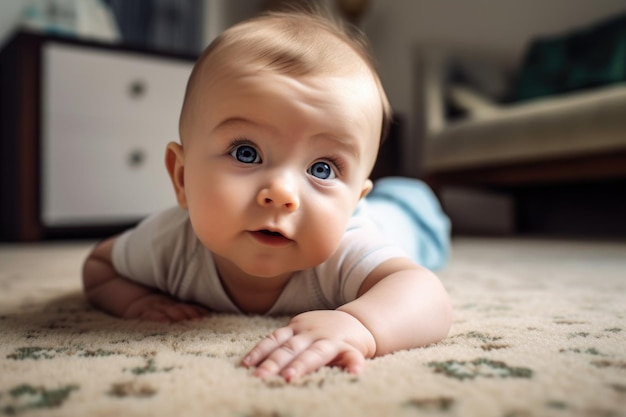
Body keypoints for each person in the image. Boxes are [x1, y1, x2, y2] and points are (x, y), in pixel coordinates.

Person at [82, 9, 452, 382]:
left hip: (409, 216)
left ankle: (398, 196)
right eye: (247, 153)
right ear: (181, 177)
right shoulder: (171, 244)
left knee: (411, 205)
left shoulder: (349, 247)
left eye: (321, 168)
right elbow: (100, 267)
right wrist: (137, 302)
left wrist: (360, 325)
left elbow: (427, 296)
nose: (281, 193)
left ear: (354, 204)